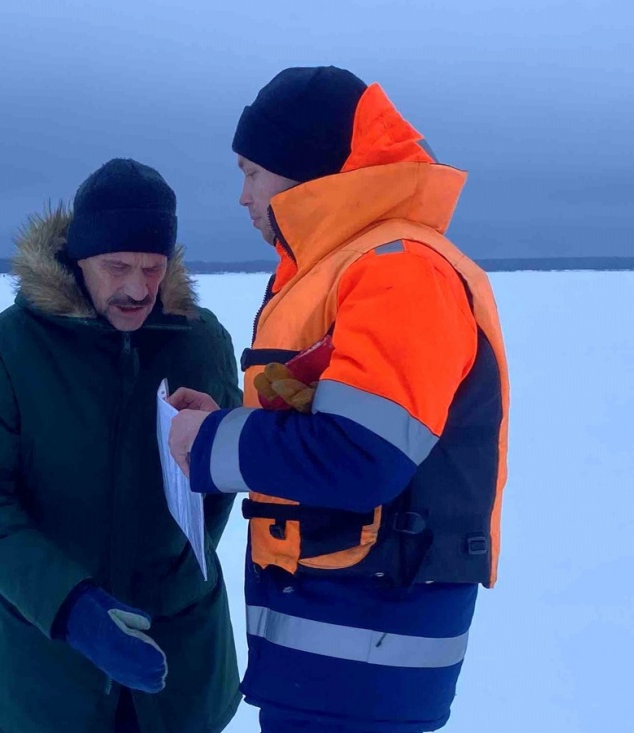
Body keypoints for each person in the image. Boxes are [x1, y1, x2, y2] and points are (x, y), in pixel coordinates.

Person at [168, 67, 511, 732]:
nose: (241, 196)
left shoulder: (399, 269)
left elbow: (363, 455)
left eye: (251, 172)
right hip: (331, 652)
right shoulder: (342, 269)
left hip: (369, 653)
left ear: (302, 169)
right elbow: (323, 420)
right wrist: (223, 426)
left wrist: (209, 447)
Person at [0, 159, 242, 733]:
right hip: (43, 665)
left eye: (153, 268)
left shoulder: (202, 342)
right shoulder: (10, 347)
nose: (137, 288)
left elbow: (219, 490)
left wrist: (221, 438)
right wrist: (68, 605)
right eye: (117, 266)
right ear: (78, 262)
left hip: (178, 660)